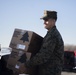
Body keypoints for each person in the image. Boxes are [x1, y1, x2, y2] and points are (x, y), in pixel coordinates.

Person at [25, 10, 64, 75]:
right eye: (43, 20)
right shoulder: (50, 34)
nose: (44, 22)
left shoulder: (52, 35)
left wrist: (26, 65)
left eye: (46, 20)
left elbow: (43, 56)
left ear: (54, 21)